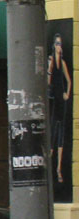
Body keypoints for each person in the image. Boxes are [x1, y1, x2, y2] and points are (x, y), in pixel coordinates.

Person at [48, 33, 72, 183]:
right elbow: (48, 81)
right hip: (53, 99)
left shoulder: (62, 63)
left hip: (60, 98)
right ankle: (50, 165)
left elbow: (68, 80)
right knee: (53, 130)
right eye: (57, 44)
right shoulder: (51, 62)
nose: (59, 46)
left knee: (61, 132)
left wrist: (67, 94)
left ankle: (58, 168)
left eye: (60, 44)